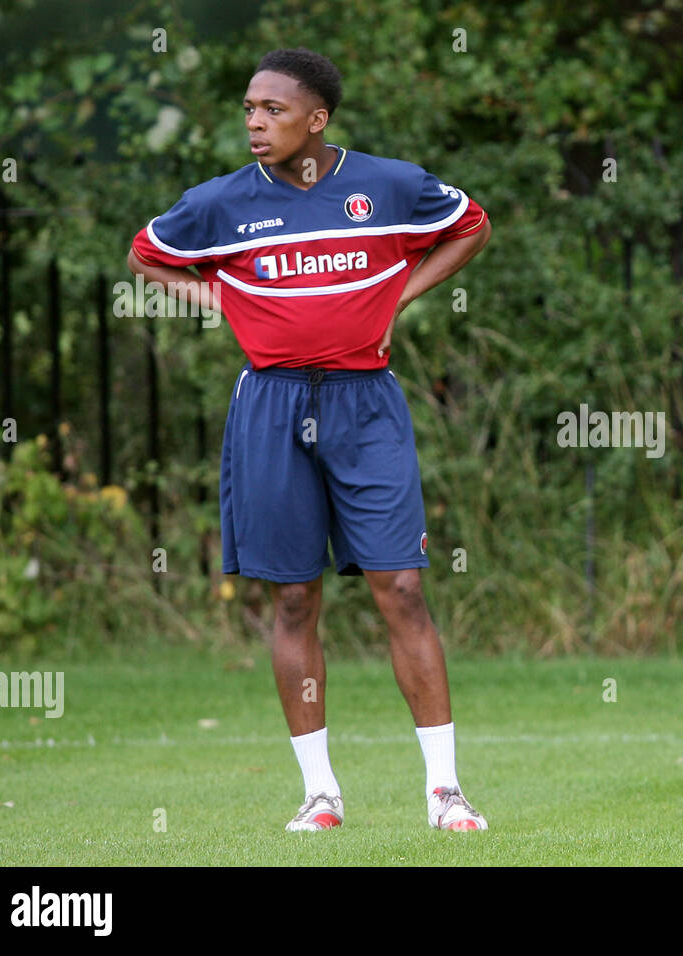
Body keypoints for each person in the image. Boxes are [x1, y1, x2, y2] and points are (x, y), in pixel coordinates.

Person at [126, 48, 491, 832]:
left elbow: (471, 227)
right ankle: (321, 795)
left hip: (366, 406)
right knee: (293, 598)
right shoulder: (218, 203)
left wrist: (403, 291)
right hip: (270, 407)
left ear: (317, 119)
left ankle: (445, 793)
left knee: (403, 589)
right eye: (250, 110)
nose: (256, 123)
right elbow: (146, 254)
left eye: (275, 111)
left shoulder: (390, 184)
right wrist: (213, 297)